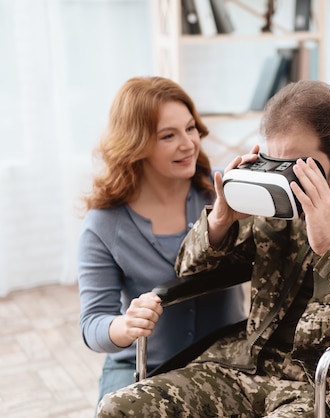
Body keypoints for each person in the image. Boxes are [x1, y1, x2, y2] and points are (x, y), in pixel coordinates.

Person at [96, 80, 330, 417]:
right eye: (274, 161)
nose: (283, 178)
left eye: (298, 166)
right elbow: (189, 270)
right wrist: (221, 220)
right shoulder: (273, 196)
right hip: (247, 364)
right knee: (120, 408)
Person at [77, 76, 247, 408]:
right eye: (168, 136)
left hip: (225, 359)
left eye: (190, 129)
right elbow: (92, 323)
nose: (188, 144)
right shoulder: (102, 224)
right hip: (141, 365)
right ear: (135, 144)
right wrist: (125, 325)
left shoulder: (226, 192)